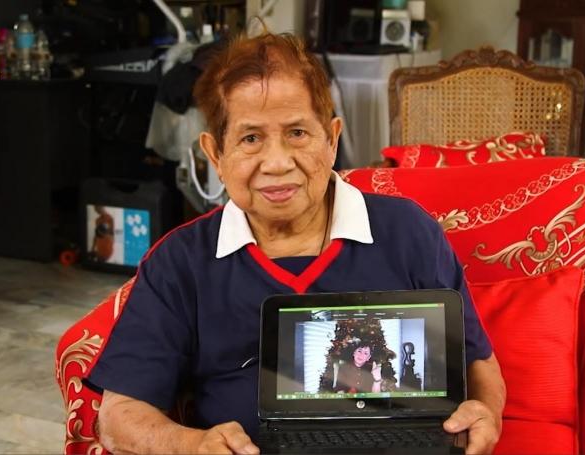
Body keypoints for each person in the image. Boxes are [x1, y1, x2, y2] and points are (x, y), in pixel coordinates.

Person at [89, 30, 506, 455]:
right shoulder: (182, 261)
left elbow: (478, 362)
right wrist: (192, 444)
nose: (276, 163)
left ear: (332, 140)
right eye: (251, 138)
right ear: (216, 155)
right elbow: (120, 416)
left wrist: (485, 413)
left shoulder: (408, 232)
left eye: (297, 133)